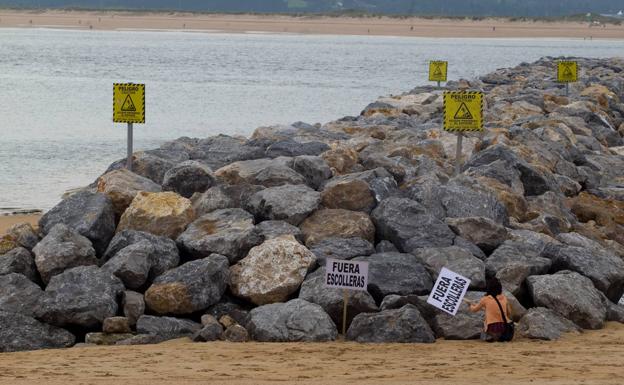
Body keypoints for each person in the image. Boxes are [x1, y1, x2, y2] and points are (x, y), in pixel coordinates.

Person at [465, 277, 512, 342]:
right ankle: (499, 337)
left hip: (492, 328)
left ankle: (490, 336)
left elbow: (474, 310)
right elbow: (509, 312)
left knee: (484, 323)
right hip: (504, 327)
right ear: (500, 288)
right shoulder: (504, 298)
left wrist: (469, 305)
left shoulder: (485, 299)